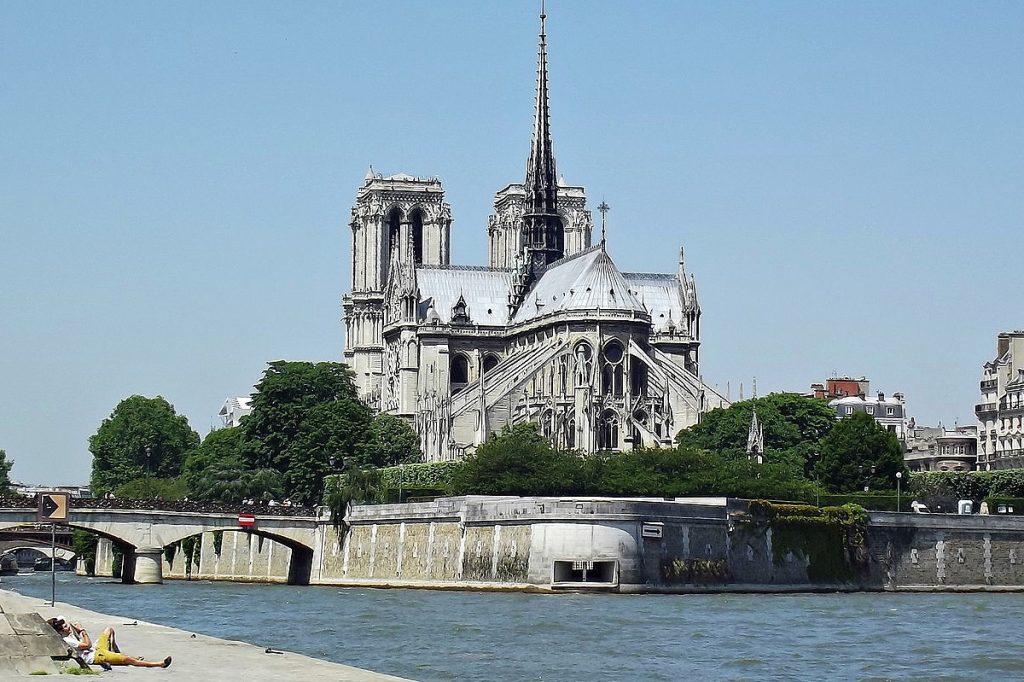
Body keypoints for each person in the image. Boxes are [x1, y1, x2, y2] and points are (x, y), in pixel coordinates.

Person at [47, 616, 171, 669]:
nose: (67, 626)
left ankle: (117, 654)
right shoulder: (67, 640)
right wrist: (82, 630)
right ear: (60, 631)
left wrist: (74, 629)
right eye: (64, 626)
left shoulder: (67, 635)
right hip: (95, 656)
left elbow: (60, 617)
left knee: (109, 630)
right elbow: (87, 645)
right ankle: (159, 664)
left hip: (97, 650)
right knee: (129, 660)